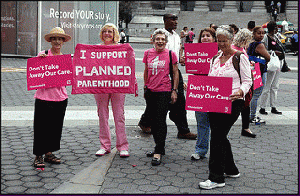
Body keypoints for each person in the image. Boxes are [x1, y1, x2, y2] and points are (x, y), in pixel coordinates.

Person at [199, 25, 252, 189]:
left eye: (225, 41)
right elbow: (210, 80)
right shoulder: (214, 58)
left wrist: (240, 92)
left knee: (217, 137)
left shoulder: (239, 56)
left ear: (231, 40)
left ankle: (216, 178)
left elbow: (247, 81)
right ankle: (231, 169)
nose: (221, 44)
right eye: (219, 41)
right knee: (219, 135)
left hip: (233, 102)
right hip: (214, 102)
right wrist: (196, 88)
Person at [139, 13, 197, 140]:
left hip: (174, 71)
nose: (175, 22)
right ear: (165, 21)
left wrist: (181, 60)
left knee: (180, 101)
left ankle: (183, 130)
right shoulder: (160, 35)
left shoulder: (176, 36)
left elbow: (175, 55)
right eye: (172, 19)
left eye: (176, 19)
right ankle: (145, 121)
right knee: (156, 102)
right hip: (161, 71)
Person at [33, 27, 71, 168]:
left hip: (60, 98)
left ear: (63, 42)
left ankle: (49, 153)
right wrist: (39, 60)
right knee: (41, 127)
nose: (57, 41)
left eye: (59, 39)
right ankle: (38, 155)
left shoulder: (65, 59)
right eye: (54, 38)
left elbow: (68, 78)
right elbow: (34, 73)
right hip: (43, 98)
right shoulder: (43, 54)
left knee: (55, 128)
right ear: (50, 41)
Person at [143, 29, 179, 166]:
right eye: (157, 39)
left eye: (162, 39)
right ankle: (159, 147)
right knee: (152, 120)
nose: (160, 41)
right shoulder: (147, 53)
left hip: (164, 91)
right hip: (151, 90)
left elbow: (175, 73)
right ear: (153, 40)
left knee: (160, 120)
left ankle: (158, 151)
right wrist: (145, 86)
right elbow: (146, 71)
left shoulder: (171, 54)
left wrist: (174, 90)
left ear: (166, 41)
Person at [94, 23, 130, 158]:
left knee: (119, 115)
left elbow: (129, 66)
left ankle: (122, 146)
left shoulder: (121, 48)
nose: (107, 34)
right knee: (102, 115)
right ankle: (104, 145)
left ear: (115, 34)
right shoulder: (96, 49)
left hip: (118, 85)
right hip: (101, 85)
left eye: (110, 31)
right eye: (104, 31)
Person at [191, 27, 216, 160]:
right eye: (203, 36)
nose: (205, 38)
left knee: (217, 124)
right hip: (200, 90)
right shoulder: (195, 52)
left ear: (214, 39)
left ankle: (217, 151)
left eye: (208, 36)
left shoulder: (221, 53)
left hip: (216, 90)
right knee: (201, 122)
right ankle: (200, 150)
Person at [232, 28, 257, 138]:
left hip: (244, 81)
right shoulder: (236, 50)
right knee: (242, 105)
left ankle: (245, 127)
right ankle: (244, 128)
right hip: (240, 83)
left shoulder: (241, 49)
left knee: (246, 106)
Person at [259, 21, 284, 115]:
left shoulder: (276, 36)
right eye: (276, 28)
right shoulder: (266, 37)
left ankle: (273, 106)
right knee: (267, 86)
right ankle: (262, 107)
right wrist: (272, 52)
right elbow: (263, 49)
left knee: (275, 86)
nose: (277, 30)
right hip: (271, 63)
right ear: (271, 29)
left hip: (278, 62)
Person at [247, 26, 270, 124]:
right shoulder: (259, 45)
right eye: (259, 33)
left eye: (263, 33)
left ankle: (249, 115)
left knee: (252, 94)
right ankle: (252, 116)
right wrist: (265, 61)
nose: (261, 35)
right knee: (256, 94)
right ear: (253, 33)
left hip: (253, 69)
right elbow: (268, 57)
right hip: (260, 70)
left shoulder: (250, 44)